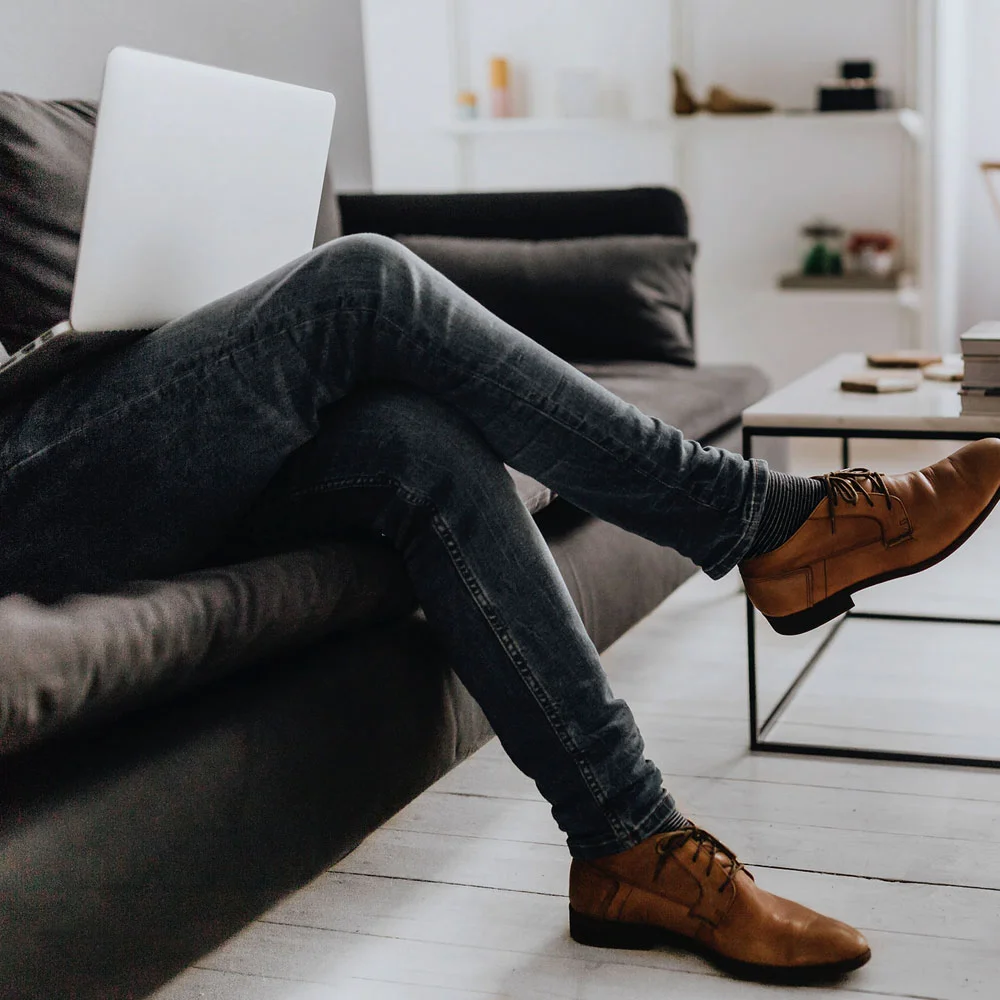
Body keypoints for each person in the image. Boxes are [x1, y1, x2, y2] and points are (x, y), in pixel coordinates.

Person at [4, 234, 998, 983]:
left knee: (416, 441)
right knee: (363, 282)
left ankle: (628, 840)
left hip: (62, 399)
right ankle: (763, 524)